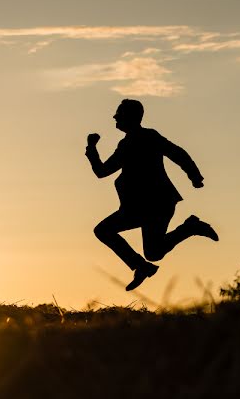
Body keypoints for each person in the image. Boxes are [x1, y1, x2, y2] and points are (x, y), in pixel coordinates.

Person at [86, 99, 217, 291]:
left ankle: (143, 263)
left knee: (104, 231)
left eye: (119, 114)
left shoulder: (149, 137)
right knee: (153, 253)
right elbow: (102, 171)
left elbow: (178, 153)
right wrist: (92, 149)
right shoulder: (125, 144)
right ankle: (187, 230)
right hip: (138, 207)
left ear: (130, 117)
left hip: (156, 204)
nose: (114, 117)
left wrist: (195, 176)